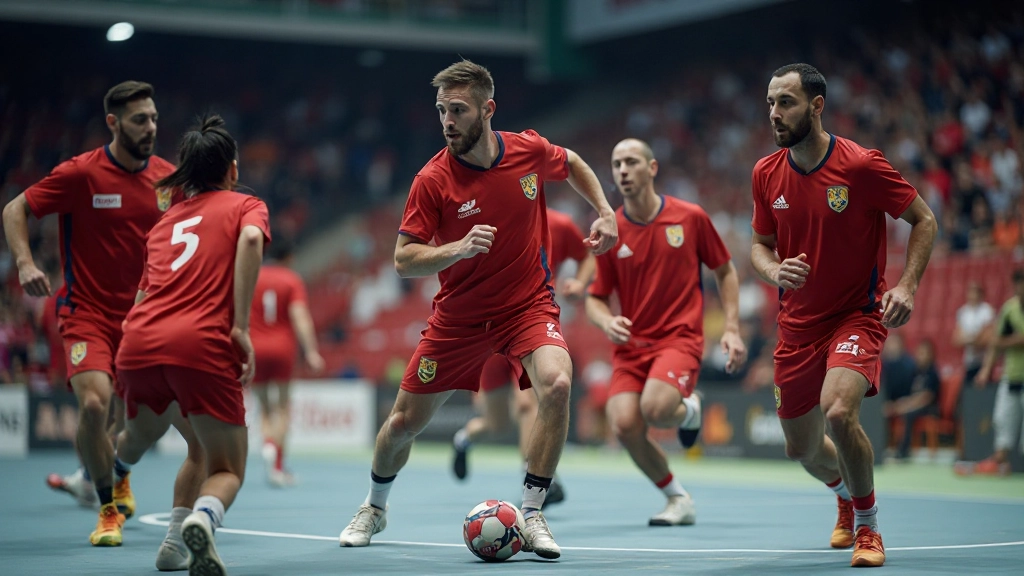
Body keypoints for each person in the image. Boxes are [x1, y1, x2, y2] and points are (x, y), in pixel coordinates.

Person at [337, 59, 617, 560]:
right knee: (402, 425)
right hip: (459, 320)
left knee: (556, 382)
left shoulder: (526, 150)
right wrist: (457, 248)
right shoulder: (432, 180)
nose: (447, 120)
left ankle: (532, 511)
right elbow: (404, 260)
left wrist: (605, 211)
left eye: (458, 110)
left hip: (527, 306)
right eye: (442, 110)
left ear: (488, 110)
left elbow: (571, 161)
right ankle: (375, 507)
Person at [750, 63, 936, 568]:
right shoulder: (766, 173)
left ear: (816, 106)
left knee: (837, 412)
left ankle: (869, 527)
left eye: (785, 102)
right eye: (770, 102)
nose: (774, 113)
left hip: (856, 316)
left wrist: (907, 285)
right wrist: (772, 271)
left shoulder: (860, 166)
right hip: (795, 328)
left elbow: (924, 219)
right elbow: (760, 245)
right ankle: (842, 493)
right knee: (803, 450)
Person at [2, 81, 176, 545]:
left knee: (135, 422)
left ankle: (117, 474)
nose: (151, 127)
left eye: (155, 118)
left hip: (143, 321)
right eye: (141, 119)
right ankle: (106, 509)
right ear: (113, 123)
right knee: (95, 404)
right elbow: (15, 209)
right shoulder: (81, 174)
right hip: (86, 314)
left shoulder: (167, 179)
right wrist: (24, 262)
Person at [112, 115, 271, 573]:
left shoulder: (163, 224)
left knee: (173, 442)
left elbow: (142, 295)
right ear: (233, 170)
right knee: (227, 469)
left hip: (138, 342)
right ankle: (202, 518)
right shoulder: (245, 206)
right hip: (198, 345)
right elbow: (249, 242)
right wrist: (239, 327)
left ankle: (167, 538)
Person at [585, 138, 747, 526]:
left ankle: (688, 408)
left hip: (679, 339)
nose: (622, 170)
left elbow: (725, 270)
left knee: (654, 409)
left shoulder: (690, 217)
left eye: (631, 162)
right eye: (616, 163)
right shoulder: (612, 231)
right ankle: (678, 498)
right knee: (624, 424)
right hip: (631, 348)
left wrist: (732, 328)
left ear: (652, 168)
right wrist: (607, 321)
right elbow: (595, 298)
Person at [451, 207, 597, 504]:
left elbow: (588, 256)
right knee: (497, 424)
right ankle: (464, 439)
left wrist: (581, 283)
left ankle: (531, 476)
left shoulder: (560, 224)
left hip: (530, 324)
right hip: (489, 331)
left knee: (529, 399)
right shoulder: (492, 216)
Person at [251, 237, 326, 486]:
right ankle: (278, 464)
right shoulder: (291, 280)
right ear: (290, 257)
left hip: (255, 347)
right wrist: (312, 351)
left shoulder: (253, 276)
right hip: (282, 349)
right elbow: (300, 317)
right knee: (282, 407)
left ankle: (268, 444)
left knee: (264, 407)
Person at [970, 269, 1024, 476]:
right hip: (1011, 376)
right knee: (1002, 420)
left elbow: (1004, 340)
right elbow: (995, 343)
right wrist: (985, 370)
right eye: (1018, 284)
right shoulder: (1009, 309)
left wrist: (1009, 340)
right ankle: (1000, 461)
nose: (1020, 289)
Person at [882, 338, 940, 461]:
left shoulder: (932, 373)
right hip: (913, 405)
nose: (920, 357)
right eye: (918, 353)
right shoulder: (915, 372)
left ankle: (903, 450)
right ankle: (883, 446)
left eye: (923, 354)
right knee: (888, 411)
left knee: (907, 415)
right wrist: (897, 405)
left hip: (929, 408)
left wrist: (905, 406)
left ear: (931, 355)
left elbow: (926, 397)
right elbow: (909, 394)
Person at [954, 282, 995, 384]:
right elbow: (956, 339)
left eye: (975, 293)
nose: (972, 296)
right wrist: (975, 339)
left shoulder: (987, 311)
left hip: (983, 361)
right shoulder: (962, 312)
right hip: (969, 361)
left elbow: (987, 338)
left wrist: (968, 340)